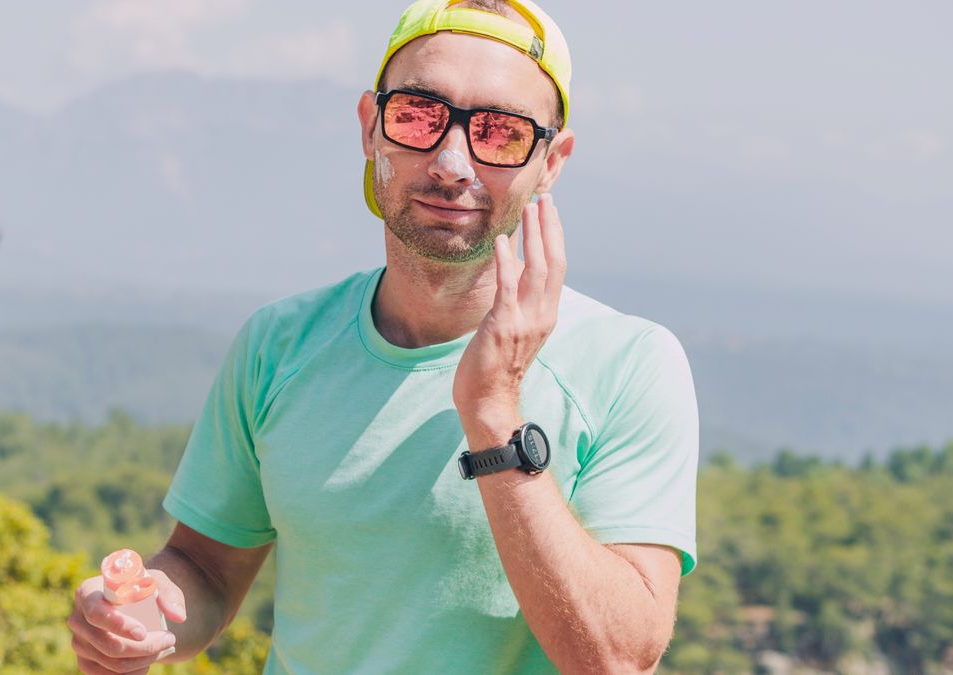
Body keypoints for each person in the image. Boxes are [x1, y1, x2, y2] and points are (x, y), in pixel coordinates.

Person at [68, 0, 698, 672]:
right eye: (419, 116)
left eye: (500, 133)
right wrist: (140, 613)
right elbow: (206, 567)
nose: (452, 161)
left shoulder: (630, 364)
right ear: (371, 128)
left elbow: (615, 658)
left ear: (552, 161)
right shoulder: (278, 346)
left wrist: (493, 410)